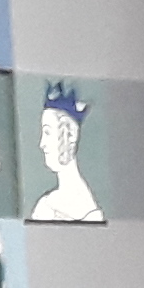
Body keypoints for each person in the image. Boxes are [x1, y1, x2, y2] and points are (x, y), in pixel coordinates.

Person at [26, 80, 102, 223]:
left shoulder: (90, 213)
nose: (42, 144)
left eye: (48, 132)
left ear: (70, 134)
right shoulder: (45, 203)